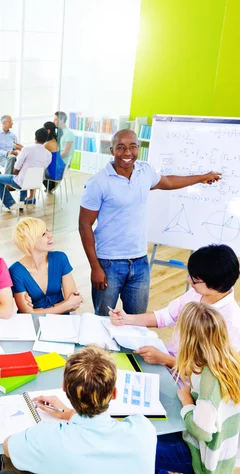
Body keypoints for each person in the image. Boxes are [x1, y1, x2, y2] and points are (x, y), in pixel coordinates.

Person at [79, 129, 221, 316]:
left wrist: (202, 177)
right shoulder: (98, 183)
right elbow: (84, 225)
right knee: (103, 321)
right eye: (121, 148)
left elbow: (169, 182)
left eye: (132, 147)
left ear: (138, 148)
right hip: (108, 263)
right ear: (112, 150)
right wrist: (95, 267)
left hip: (139, 262)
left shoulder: (144, 171)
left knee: (138, 321)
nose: (127, 153)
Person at [3, 345, 156, 474]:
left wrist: (71, 414)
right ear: (114, 393)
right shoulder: (144, 430)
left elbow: (8, 447)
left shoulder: (46, 437)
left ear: (64, 388)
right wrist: (70, 414)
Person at [109, 244, 240, 367]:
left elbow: (215, 372)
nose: (189, 281)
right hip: (168, 359)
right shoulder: (196, 293)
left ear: (215, 285)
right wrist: (127, 319)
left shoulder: (231, 322)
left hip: (186, 380)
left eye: (195, 280)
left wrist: (165, 360)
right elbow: (165, 316)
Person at [154, 302, 240, 474]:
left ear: (188, 339)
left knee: (147, 448)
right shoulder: (229, 360)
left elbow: (202, 431)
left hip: (203, 460)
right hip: (222, 454)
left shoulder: (209, 378)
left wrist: (187, 403)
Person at [10, 217, 82, 314]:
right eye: (44, 234)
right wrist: (66, 305)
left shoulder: (60, 258)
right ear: (29, 241)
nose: (50, 235)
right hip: (34, 325)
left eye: (48, 231)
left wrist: (39, 311)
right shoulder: (16, 271)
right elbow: (27, 313)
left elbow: (74, 304)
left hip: (63, 321)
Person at [0, 128, 52, 211]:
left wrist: (15, 173)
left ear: (35, 137)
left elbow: (16, 168)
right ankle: (21, 202)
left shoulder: (27, 149)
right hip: (36, 182)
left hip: (22, 182)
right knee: (24, 174)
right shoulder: (49, 154)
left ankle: (10, 204)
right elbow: (41, 168)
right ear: (45, 140)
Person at [42, 121, 66, 195]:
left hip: (54, 172)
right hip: (60, 169)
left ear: (48, 131)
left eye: (43, 129)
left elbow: (37, 152)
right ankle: (50, 186)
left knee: (35, 170)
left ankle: (49, 186)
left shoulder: (47, 144)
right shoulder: (55, 140)